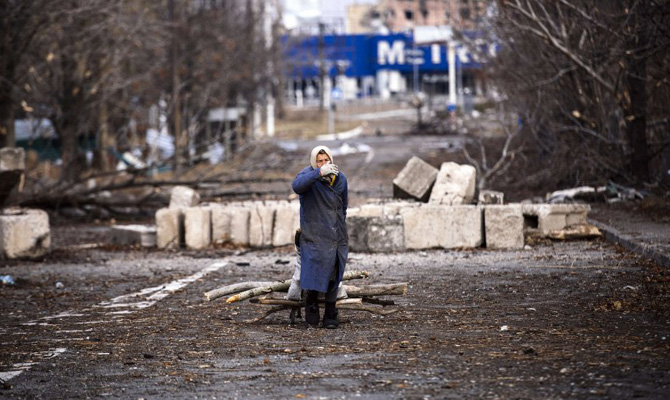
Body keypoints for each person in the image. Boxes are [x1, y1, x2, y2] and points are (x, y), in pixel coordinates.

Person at [292, 145, 348, 328]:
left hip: (335, 233)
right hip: (314, 233)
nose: (323, 164)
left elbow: (343, 206)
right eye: (319, 161)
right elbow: (297, 187)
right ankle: (312, 303)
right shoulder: (307, 177)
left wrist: (339, 227)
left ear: (331, 160)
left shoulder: (340, 179)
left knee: (334, 271)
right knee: (313, 269)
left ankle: (331, 311)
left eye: (326, 161)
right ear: (314, 162)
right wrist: (318, 173)